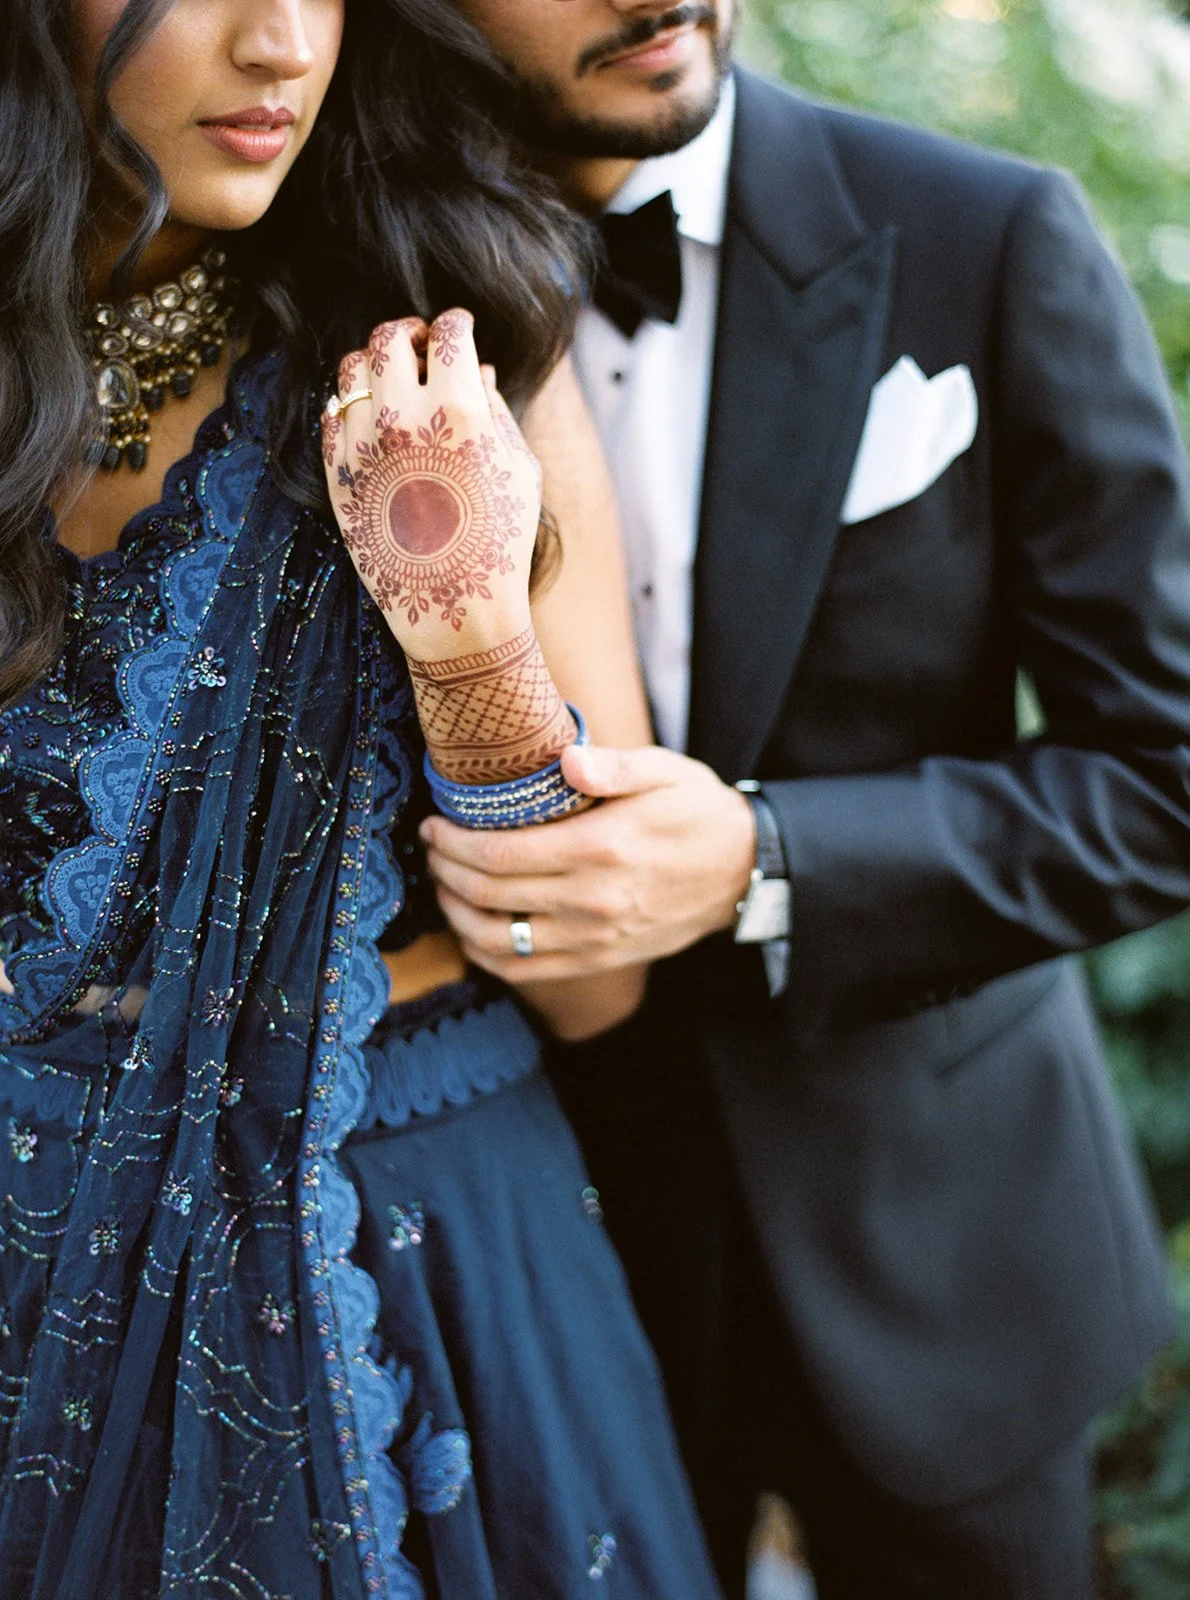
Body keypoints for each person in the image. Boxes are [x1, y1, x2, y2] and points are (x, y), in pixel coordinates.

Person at [417, 2, 1190, 1595]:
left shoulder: (983, 236)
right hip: (553, 1249)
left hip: (943, 1246)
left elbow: (1162, 774)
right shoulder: (355, 285)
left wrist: (766, 862)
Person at [0, 3, 726, 1596]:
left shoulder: (441, 337)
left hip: (395, 1238)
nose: (279, 46)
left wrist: (462, 633)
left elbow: (598, 974)